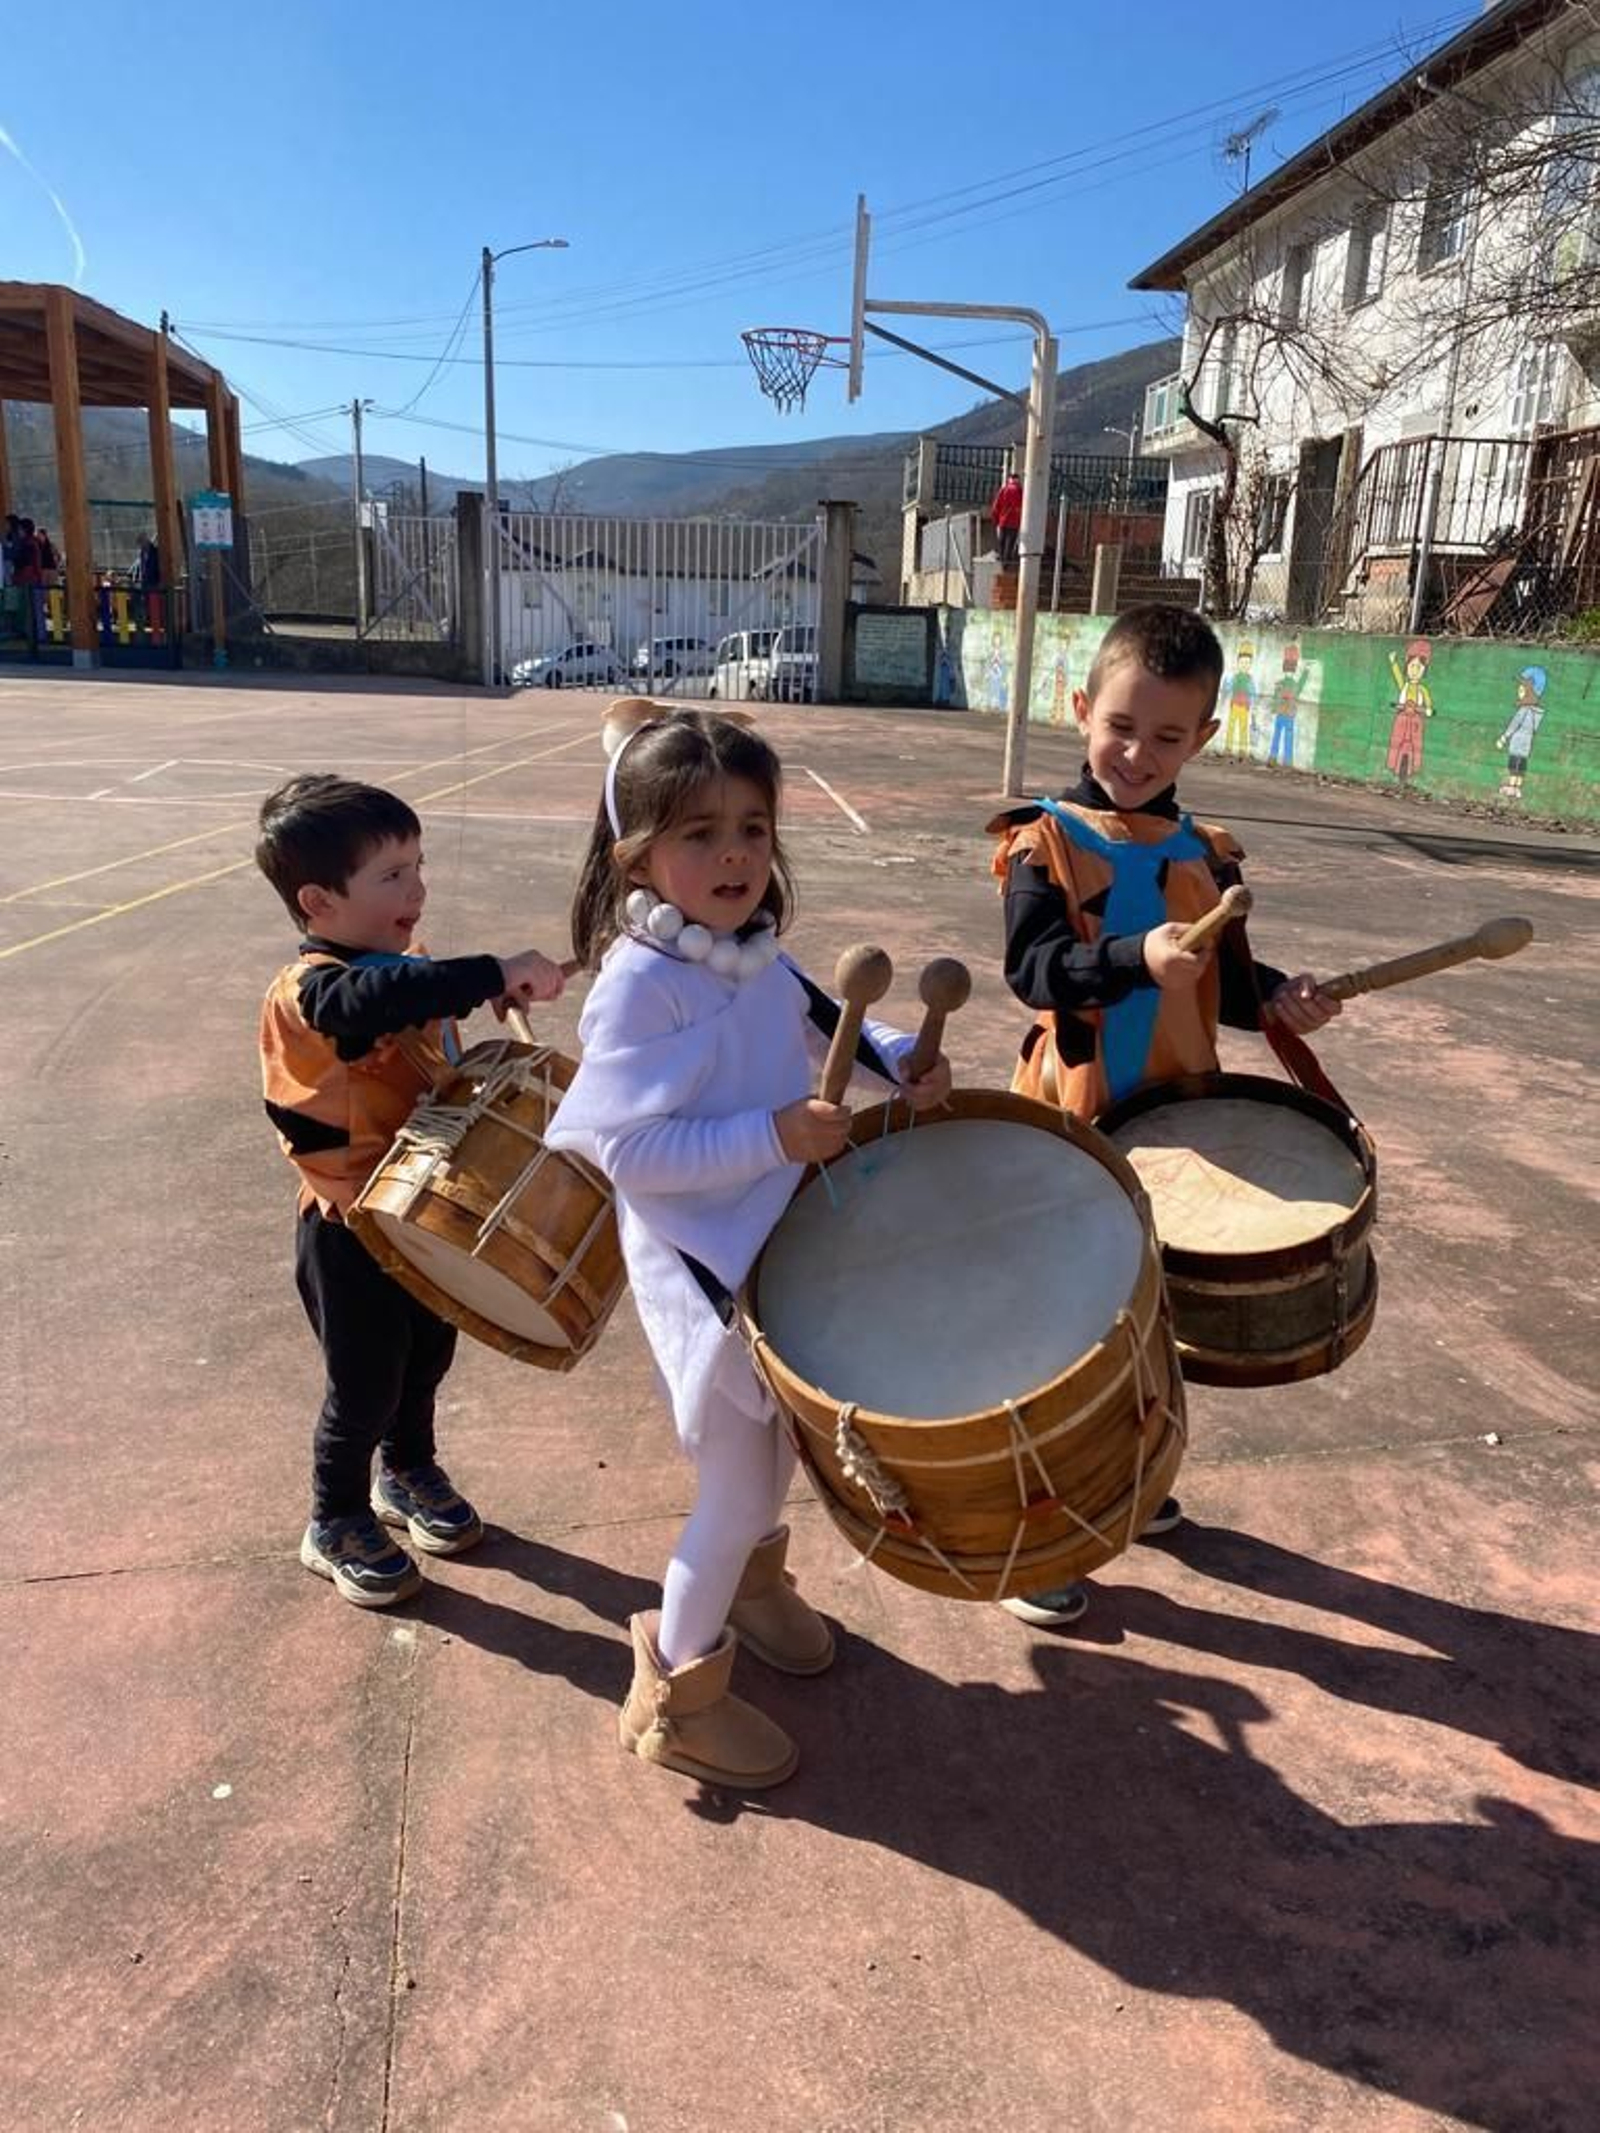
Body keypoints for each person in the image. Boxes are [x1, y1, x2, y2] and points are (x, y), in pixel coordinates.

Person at [544, 703, 952, 1789]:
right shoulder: (642, 983)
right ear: (637, 856)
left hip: (773, 1241)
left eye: (753, 829)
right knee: (733, 1483)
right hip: (704, 1269)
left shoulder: (747, 951)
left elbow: (829, 1023)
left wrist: (903, 1058)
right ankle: (675, 1697)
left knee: (775, 1453)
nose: (734, 855)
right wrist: (771, 1135)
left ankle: (755, 1589)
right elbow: (628, 1152)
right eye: (700, 833)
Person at [987, 603, 1343, 1626]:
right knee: (1060, 1336)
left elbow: (1220, 986)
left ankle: (1128, 1486)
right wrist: (1135, 958)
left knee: (1148, 1322)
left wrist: (1278, 996)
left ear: (1204, 738)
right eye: (1120, 727)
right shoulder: (1045, 843)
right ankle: (1035, 1534)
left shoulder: (1205, 854)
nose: (1138, 754)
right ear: (1080, 710)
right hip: (1075, 1124)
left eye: (1167, 735)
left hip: (1179, 1128)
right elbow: (1034, 970)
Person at [255, 773, 568, 1607]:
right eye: (392, 875)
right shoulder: (314, 991)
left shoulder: (404, 967)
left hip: (420, 1212)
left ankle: (407, 1469)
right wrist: (491, 966)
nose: (417, 888)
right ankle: (334, 1518)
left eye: (418, 866)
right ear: (318, 902)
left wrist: (486, 988)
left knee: (427, 1355)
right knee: (363, 1384)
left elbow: (418, 997)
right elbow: (373, 1001)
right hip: (348, 1227)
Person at [990, 467, 1023, 569]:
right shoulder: (1020, 491)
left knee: (1002, 542)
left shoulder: (1004, 490)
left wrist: (995, 520)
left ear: (1009, 479)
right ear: (1017, 480)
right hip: (1015, 522)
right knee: (1010, 543)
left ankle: (1001, 561)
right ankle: (1006, 564)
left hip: (1003, 520)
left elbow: (996, 506)